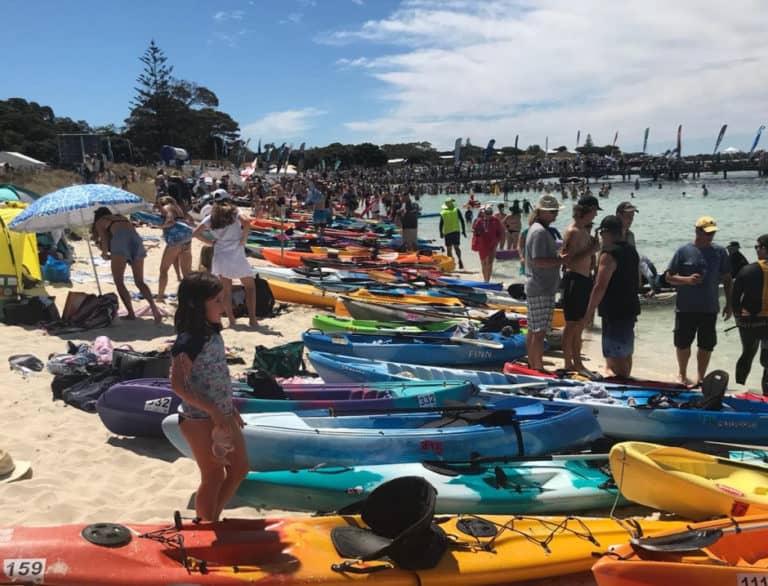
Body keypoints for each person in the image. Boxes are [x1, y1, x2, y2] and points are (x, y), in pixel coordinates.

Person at [169, 272, 248, 522]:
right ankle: (207, 524)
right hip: (198, 419)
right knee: (213, 475)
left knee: (239, 468)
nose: (224, 306)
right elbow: (179, 385)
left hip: (222, 414)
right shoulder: (188, 341)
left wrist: (228, 407)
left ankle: (212, 518)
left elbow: (217, 377)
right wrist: (213, 410)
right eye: (217, 301)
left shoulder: (212, 333)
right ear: (196, 304)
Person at [665, 216, 733, 385]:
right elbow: (668, 277)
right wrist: (686, 280)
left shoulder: (720, 252)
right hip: (685, 307)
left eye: (713, 233)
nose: (711, 237)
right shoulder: (683, 251)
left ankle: (701, 377)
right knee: (682, 343)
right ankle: (682, 374)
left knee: (707, 344)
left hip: (709, 307)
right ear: (697, 231)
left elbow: (727, 278)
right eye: (707, 233)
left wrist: (730, 303)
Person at [583, 215, 640, 378]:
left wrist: (589, 312)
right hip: (630, 307)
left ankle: (620, 384)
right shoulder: (632, 251)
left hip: (614, 309)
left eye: (601, 233)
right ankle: (625, 380)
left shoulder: (609, 254)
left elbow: (600, 286)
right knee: (626, 352)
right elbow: (638, 280)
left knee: (615, 356)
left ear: (606, 233)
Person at [192, 192, 258, 328]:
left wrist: (211, 242)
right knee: (250, 287)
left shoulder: (211, 217)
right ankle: (252, 319)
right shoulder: (235, 212)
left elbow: (195, 233)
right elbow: (247, 221)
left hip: (220, 253)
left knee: (226, 290)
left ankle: (231, 320)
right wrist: (244, 239)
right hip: (236, 253)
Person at [92, 207, 162, 323]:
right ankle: (154, 309)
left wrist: (104, 253)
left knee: (119, 281)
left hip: (120, 241)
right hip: (136, 240)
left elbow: (105, 240)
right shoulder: (122, 218)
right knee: (139, 281)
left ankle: (131, 313)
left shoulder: (100, 221)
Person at [560, 195, 601, 372]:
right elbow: (567, 261)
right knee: (571, 325)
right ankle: (567, 362)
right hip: (574, 279)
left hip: (584, 279)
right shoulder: (574, 231)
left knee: (580, 324)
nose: (595, 215)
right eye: (594, 212)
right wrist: (591, 250)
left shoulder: (584, 230)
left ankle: (577, 361)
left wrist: (592, 252)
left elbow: (585, 257)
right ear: (587, 211)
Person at [524, 194, 564, 370]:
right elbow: (539, 260)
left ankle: (533, 365)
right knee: (539, 332)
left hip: (537, 285)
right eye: (552, 212)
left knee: (534, 330)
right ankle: (537, 366)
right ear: (541, 212)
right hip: (541, 286)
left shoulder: (535, 228)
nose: (555, 215)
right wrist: (562, 260)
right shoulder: (540, 231)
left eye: (556, 211)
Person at [732, 234, 768, 394]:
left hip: (749, 322)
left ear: (764, 249)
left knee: (748, 352)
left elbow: (735, 298)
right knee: (767, 360)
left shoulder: (747, 270)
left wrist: (738, 317)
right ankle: (766, 395)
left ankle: (739, 389)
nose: (756, 250)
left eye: (757, 247)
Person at [155, 196, 194, 302]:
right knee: (187, 274)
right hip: (187, 240)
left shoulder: (167, 207)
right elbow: (191, 220)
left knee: (163, 270)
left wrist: (161, 226)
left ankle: (160, 297)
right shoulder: (179, 209)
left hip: (175, 241)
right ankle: (189, 297)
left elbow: (170, 221)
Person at [471, 204, 504, 282]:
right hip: (482, 245)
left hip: (492, 244)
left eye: (490, 213)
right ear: (483, 213)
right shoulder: (479, 221)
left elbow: (500, 233)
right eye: (487, 213)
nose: (488, 215)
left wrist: (497, 243)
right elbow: (475, 233)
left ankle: (487, 281)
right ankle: (485, 280)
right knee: (483, 263)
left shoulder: (496, 220)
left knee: (489, 263)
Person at [438, 197, 466, 269]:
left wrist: (441, 233)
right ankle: (460, 260)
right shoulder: (457, 210)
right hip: (456, 231)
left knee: (449, 249)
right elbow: (462, 221)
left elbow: (441, 224)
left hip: (447, 233)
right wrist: (464, 231)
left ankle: (451, 263)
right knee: (457, 247)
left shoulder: (443, 212)